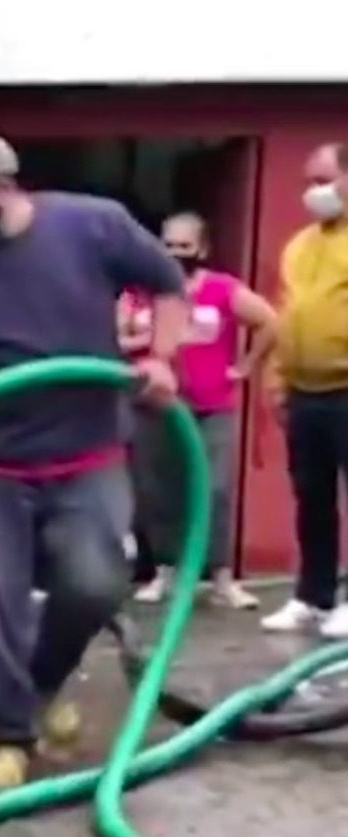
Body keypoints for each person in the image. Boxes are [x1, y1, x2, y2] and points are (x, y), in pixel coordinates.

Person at [0, 131, 188, 793]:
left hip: (87, 449)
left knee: (96, 580)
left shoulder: (92, 227)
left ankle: (42, 685)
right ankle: (8, 737)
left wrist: (161, 359)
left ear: (0, 187)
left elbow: (169, 286)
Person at [120, 211, 275, 609]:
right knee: (157, 490)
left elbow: (269, 322)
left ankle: (220, 577)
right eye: (168, 244)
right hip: (154, 405)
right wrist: (146, 338)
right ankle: (164, 572)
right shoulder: (139, 290)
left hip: (211, 406)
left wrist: (244, 367)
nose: (175, 253)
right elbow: (112, 336)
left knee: (216, 489)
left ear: (203, 249)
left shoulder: (222, 289)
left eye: (184, 246)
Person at [258, 142, 348, 636]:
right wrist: (278, 380)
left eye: (324, 180)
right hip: (306, 390)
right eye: (309, 182)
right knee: (311, 496)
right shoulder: (300, 243)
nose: (314, 193)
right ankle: (312, 597)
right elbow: (286, 311)